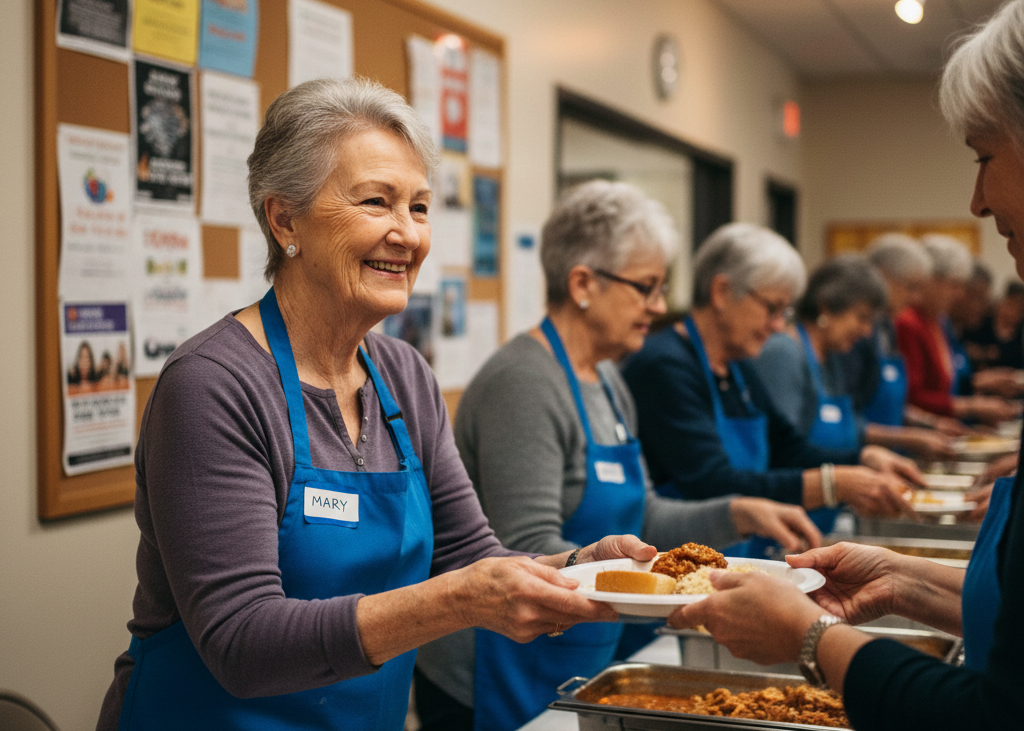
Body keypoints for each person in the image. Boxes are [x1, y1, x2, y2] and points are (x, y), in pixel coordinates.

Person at [97, 78, 658, 731]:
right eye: (376, 202)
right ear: (284, 220)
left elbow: (473, 554)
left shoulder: (403, 375)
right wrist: (455, 601)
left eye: (419, 208)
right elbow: (242, 643)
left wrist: (576, 566)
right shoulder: (214, 384)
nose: (407, 234)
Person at [668, 5, 1024, 727]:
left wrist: (813, 639)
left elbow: (994, 710)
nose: (977, 200)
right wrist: (895, 571)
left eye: (984, 156)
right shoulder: (683, 360)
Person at [414, 182, 821, 731]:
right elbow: (525, 551)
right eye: (646, 287)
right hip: (495, 670)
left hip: (578, 649)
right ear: (583, 283)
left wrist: (738, 513)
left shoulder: (608, 378)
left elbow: (643, 517)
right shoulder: (524, 383)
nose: (658, 307)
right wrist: (658, 585)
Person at [623, 223, 917, 539]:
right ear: (721, 292)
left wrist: (863, 457)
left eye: (784, 312)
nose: (778, 326)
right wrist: (833, 485)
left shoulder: (738, 367)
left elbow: (788, 449)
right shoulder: (665, 365)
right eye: (772, 308)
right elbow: (712, 483)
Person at [754, 254, 956, 462]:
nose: (867, 332)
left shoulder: (832, 358)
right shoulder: (784, 353)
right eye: (861, 318)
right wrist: (859, 462)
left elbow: (853, 426)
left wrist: (913, 438)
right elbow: (785, 450)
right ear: (826, 306)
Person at [895, 234, 1019, 424]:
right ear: (929, 279)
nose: (959, 294)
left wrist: (982, 382)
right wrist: (970, 407)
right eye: (954, 285)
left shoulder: (940, 321)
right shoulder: (909, 323)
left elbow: (950, 381)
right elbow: (912, 395)